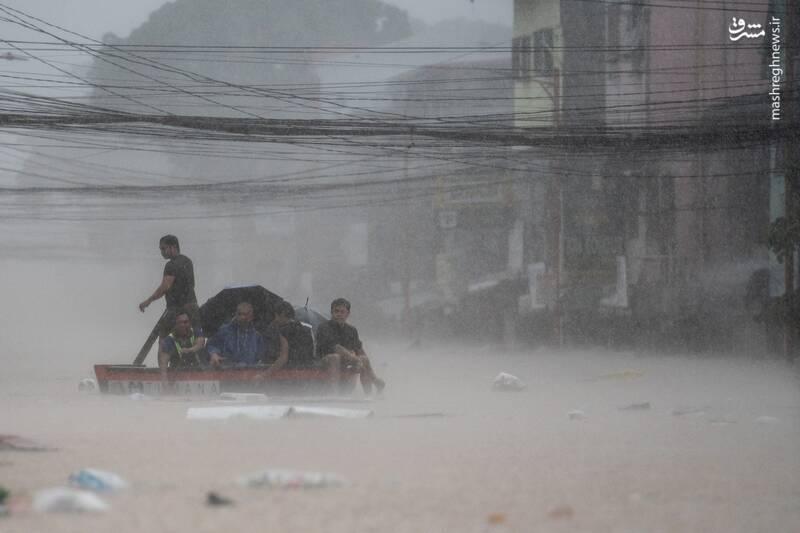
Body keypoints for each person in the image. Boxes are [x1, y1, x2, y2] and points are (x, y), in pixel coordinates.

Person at [315, 298, 385, 394]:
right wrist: (355, 359)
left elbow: (359, 349)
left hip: (346, 361)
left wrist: (363, 361)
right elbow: (336, 348)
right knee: (335, 357)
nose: (339, 314)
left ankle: (368, 395)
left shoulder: (352, 330)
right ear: (331, 312)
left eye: (342, 312)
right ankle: (333, 393)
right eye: (336, 311)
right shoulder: (324, 327)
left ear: (347, 314)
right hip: (324, 361)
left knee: (364, 358)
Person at [138, 235, 200, 342]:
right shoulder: (187, 261)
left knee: (164, 339)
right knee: (193, 337)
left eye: (163, 248)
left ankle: (164, 358)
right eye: (160, 249)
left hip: (176, 308)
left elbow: (165, 287)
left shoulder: (171, 265)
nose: (161, 252)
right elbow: (191, 284)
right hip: (192, 307)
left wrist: (148, 301)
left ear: (173, 247)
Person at [206, 302, 266, 366]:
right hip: (226, 371)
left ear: (251, 317)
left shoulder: (257, 337)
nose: (242, 317)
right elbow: (211, 345)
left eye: (246, 314)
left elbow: (260, 359)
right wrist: (214, 354)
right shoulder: (225, 330)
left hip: (249, 373)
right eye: (239, 314)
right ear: (235, 314)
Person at [157, 311, 207, 384]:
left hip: (199, 373)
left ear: (190, 323)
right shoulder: (169, 340)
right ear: (175, 324)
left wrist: (190, 350)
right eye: (180, 322)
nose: (183, 325)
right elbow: (163, 364)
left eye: (185, 322)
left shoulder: (197, 332)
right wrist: (165, 384)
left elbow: (200, 343)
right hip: (177, 375)